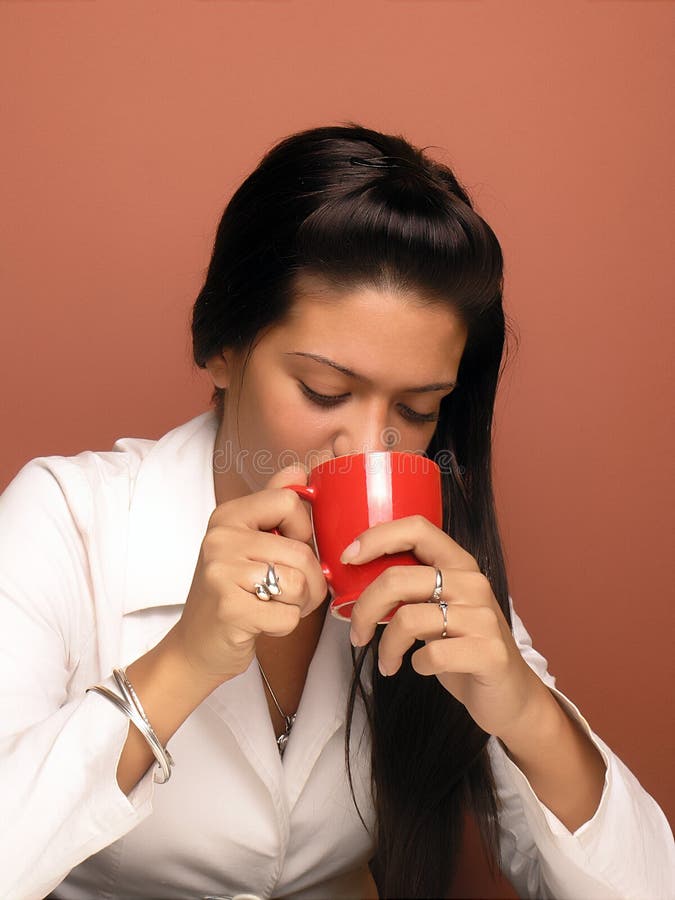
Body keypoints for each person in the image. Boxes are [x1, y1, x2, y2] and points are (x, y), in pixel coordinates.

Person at [0, 124, 672, 900]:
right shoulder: (65, 520)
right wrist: (182, 663)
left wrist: (523, 705)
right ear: (221, 347)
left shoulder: (429, 567)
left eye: (417, 409)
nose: (371, 445)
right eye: (324, 393)